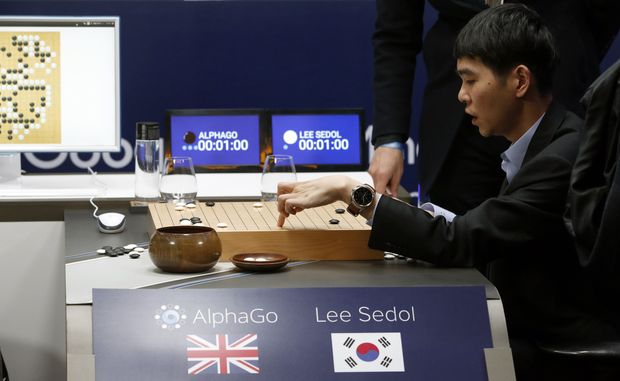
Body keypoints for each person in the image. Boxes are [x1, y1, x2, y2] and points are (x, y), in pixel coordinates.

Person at [277, 4, 619, 380]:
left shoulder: (559, 159)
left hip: (548, 348)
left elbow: (458, 242)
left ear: (519, 81)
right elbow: (472, 230)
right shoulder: (541, 141)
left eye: (471, 80)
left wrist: (352, 192)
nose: (461, 95)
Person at [370, 0, 620, 215]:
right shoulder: (464, 93)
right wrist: (389, 139)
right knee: (456, 252)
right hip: (456, 130)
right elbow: (395, 34)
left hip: (552, 96)